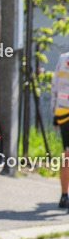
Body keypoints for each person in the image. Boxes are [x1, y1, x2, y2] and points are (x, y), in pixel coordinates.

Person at [51, 50, 69, 209]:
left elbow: (55, 86)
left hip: (63, 111)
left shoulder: (63, 58)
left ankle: (64, 196)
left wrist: (54, 114)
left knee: (67, 154)